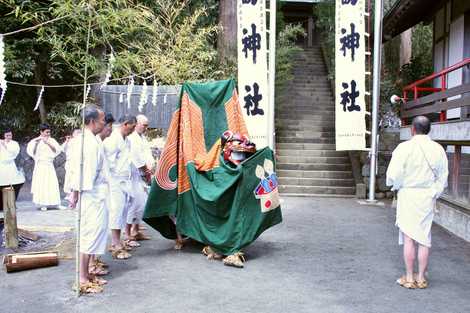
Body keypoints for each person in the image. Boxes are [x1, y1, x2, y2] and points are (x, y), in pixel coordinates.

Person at [386, 115, 449, 289]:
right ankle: (421, 278)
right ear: (429, 129)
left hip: (408, 194)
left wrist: (397, 187)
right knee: (424, 238)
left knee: (408, 237)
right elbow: (443, 176)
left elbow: (394, 175)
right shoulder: (438, 149)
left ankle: (408, 277)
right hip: (427, 196)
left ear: (413, 129)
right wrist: (434, 192)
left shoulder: (404, 147)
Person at [68, 105, 109, 294]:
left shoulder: (92, 140)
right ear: (92, 121)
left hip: (96, 192)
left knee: (95, 233)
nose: (104, 123)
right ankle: (82, 278)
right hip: (91, 193)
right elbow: (83, 172)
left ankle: (88, 272)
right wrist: (76, 193)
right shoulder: (87, 142)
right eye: (102, 120)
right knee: (89, 234)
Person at [103, 115, 137, 259]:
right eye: (132, 126)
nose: (133, 129)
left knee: (123, 210)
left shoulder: (127, 140)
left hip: (125, 179)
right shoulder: (113, 139)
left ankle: (119, 239)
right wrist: (112, 180)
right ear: (125, 124)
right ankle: (115, 243)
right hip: (114, 180)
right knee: (116, 210)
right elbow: (108, 163)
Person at [126, 114, 153, 242]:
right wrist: (145, 171)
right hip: (134, 175)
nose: (146, 128)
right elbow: (136, 158)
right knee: (133, 205)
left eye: (147, 126)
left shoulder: (142, 137)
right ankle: (128, 234)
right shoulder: (132, 138)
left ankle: (136, 230)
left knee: (141, 204)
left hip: (142, 174)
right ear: (136, 124)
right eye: (144, 125)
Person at [26, 123, 62, 210]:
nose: (48, 134)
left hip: (49, 164)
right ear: (41, 132)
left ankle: (55, 203)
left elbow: (56, 150)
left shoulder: (52, 140)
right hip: (40, 165)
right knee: (42, 184)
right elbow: (33, 153)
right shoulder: (35, 141)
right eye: (46, 132)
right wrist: (37, 144)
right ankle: (43, 204)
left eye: (49, 132)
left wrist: (48, 143)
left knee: (52, 183)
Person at [0, 129, 25, 210]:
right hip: (1, 166)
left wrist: (5, 146)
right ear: (4, 135)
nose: (8, 137)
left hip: (10, 166)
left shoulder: (14, 144)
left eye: (10, 135)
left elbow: (14, 153)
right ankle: (1, 205)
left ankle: (11, 203)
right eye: (7, 135)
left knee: (13, 184)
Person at [62, 128, 82, 207]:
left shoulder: (81, 142)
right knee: (69, 181)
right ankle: (71, 199)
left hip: (77, 164)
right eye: (76, 133)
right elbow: (63, 149)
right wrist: (67, 141)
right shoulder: (70, 141)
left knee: (76, 182)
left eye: (79, 133)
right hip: (70, 164)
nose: (78, 134)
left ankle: (75, 199)